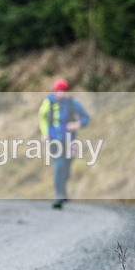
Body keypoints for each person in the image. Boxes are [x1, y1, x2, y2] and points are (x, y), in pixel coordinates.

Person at [39, 78, 90, 209]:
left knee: (67, 168)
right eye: (58, 90)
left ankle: (63, 189)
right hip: (54, 139)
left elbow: (85, 118)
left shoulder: (72, 103)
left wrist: (77, 124)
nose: (61, 93)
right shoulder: (48, 102)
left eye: (63, 90)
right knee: (59, 165)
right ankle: (58, 195)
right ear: (55, 91)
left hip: (70, 140)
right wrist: (45, 133)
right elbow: (42, 118)